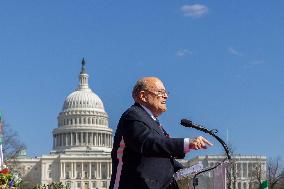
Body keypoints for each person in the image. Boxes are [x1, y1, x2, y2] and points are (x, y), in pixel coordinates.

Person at [109, 77, 213, 189]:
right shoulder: (133, 115)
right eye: (160, 92)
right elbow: (147, 143)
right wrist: (187, 143)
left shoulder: (153, 121)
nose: (166, 96)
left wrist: (192, 170)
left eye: (166, 92)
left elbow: (162, 158)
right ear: (143, 96)